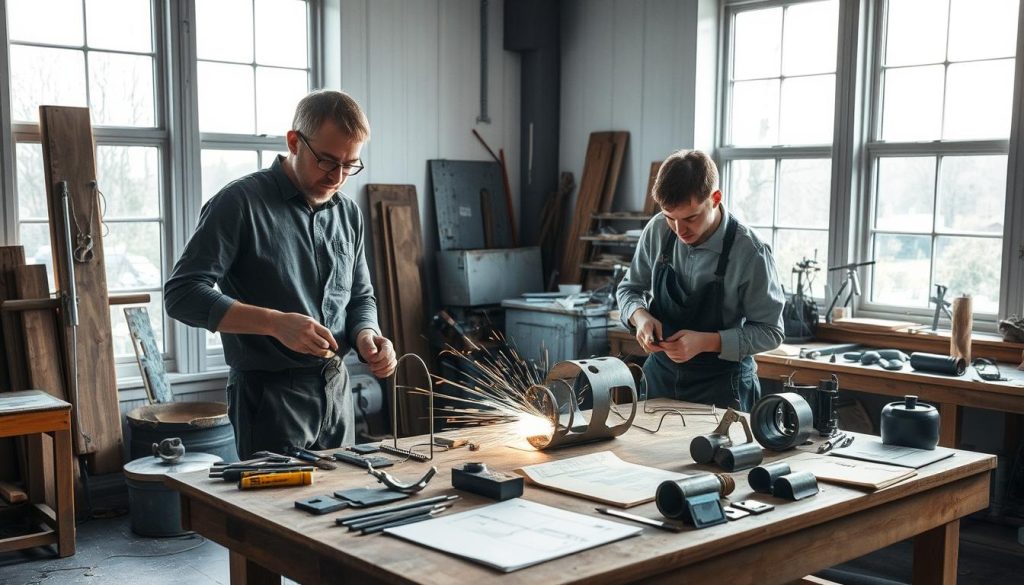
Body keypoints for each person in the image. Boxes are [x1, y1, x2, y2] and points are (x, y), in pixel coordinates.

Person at [165, 89, 397, 459]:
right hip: (269, 397)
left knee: (339, 508)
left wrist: (368, 335)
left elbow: (360, 297)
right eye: (326, 161)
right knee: (275, 514)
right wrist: (275, 324)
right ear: (294, 141)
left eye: (349, 165)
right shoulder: (239, 204)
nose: (337, 176)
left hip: (337, 391)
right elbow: (181, 294)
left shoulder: (349, 214)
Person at [616, 149, 785, 411]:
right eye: (670, 217)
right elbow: (629, 289)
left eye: (690, 218)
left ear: (715, 198)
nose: (679, 230)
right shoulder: (658, 230)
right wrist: (640, 317)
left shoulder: (751, 252)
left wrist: (707, 342)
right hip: (660, 378)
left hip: (723, 386)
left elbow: (771, 331)